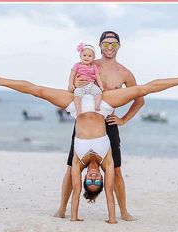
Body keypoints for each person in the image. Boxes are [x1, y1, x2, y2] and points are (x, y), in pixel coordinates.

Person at [0, 71, 178, 223]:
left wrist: (73, 217)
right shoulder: (106, 161)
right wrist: (112, 219)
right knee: (141, 90)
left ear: (86, 178)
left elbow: (77, 192)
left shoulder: (79, 161)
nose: (95, 178)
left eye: (91, 181)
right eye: (98, 181)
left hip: (75, 107)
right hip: (102, 105)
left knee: (38, 91)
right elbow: (109, 191)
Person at [56, 31, 145, 221]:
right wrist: (75, 84)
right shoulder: (87, 62)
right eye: (106, 44)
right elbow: (71, 91)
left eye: (113, 44)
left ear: (119, 46)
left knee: (117, 170)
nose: (110, 47)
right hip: (85, 124)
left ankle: (124, 212)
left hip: (109, 123)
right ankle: (62, 209)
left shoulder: (125, 73)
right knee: (71, 168)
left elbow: (139, 100)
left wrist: (123, 120)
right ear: (100, 45)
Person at [68, 43, 104, 115]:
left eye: (89, 56)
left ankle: (97, 106)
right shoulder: (77, 65)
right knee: (77, 96)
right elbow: (72, 75)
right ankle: (78, 110)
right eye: (84, 55)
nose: (86, 57)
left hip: (91, 84)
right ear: (80, 56)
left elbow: (97, 76)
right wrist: (71, 84)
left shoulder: (93, 66)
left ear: (93, 58)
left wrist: (101, 85)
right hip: (80, 85)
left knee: (99, 93)